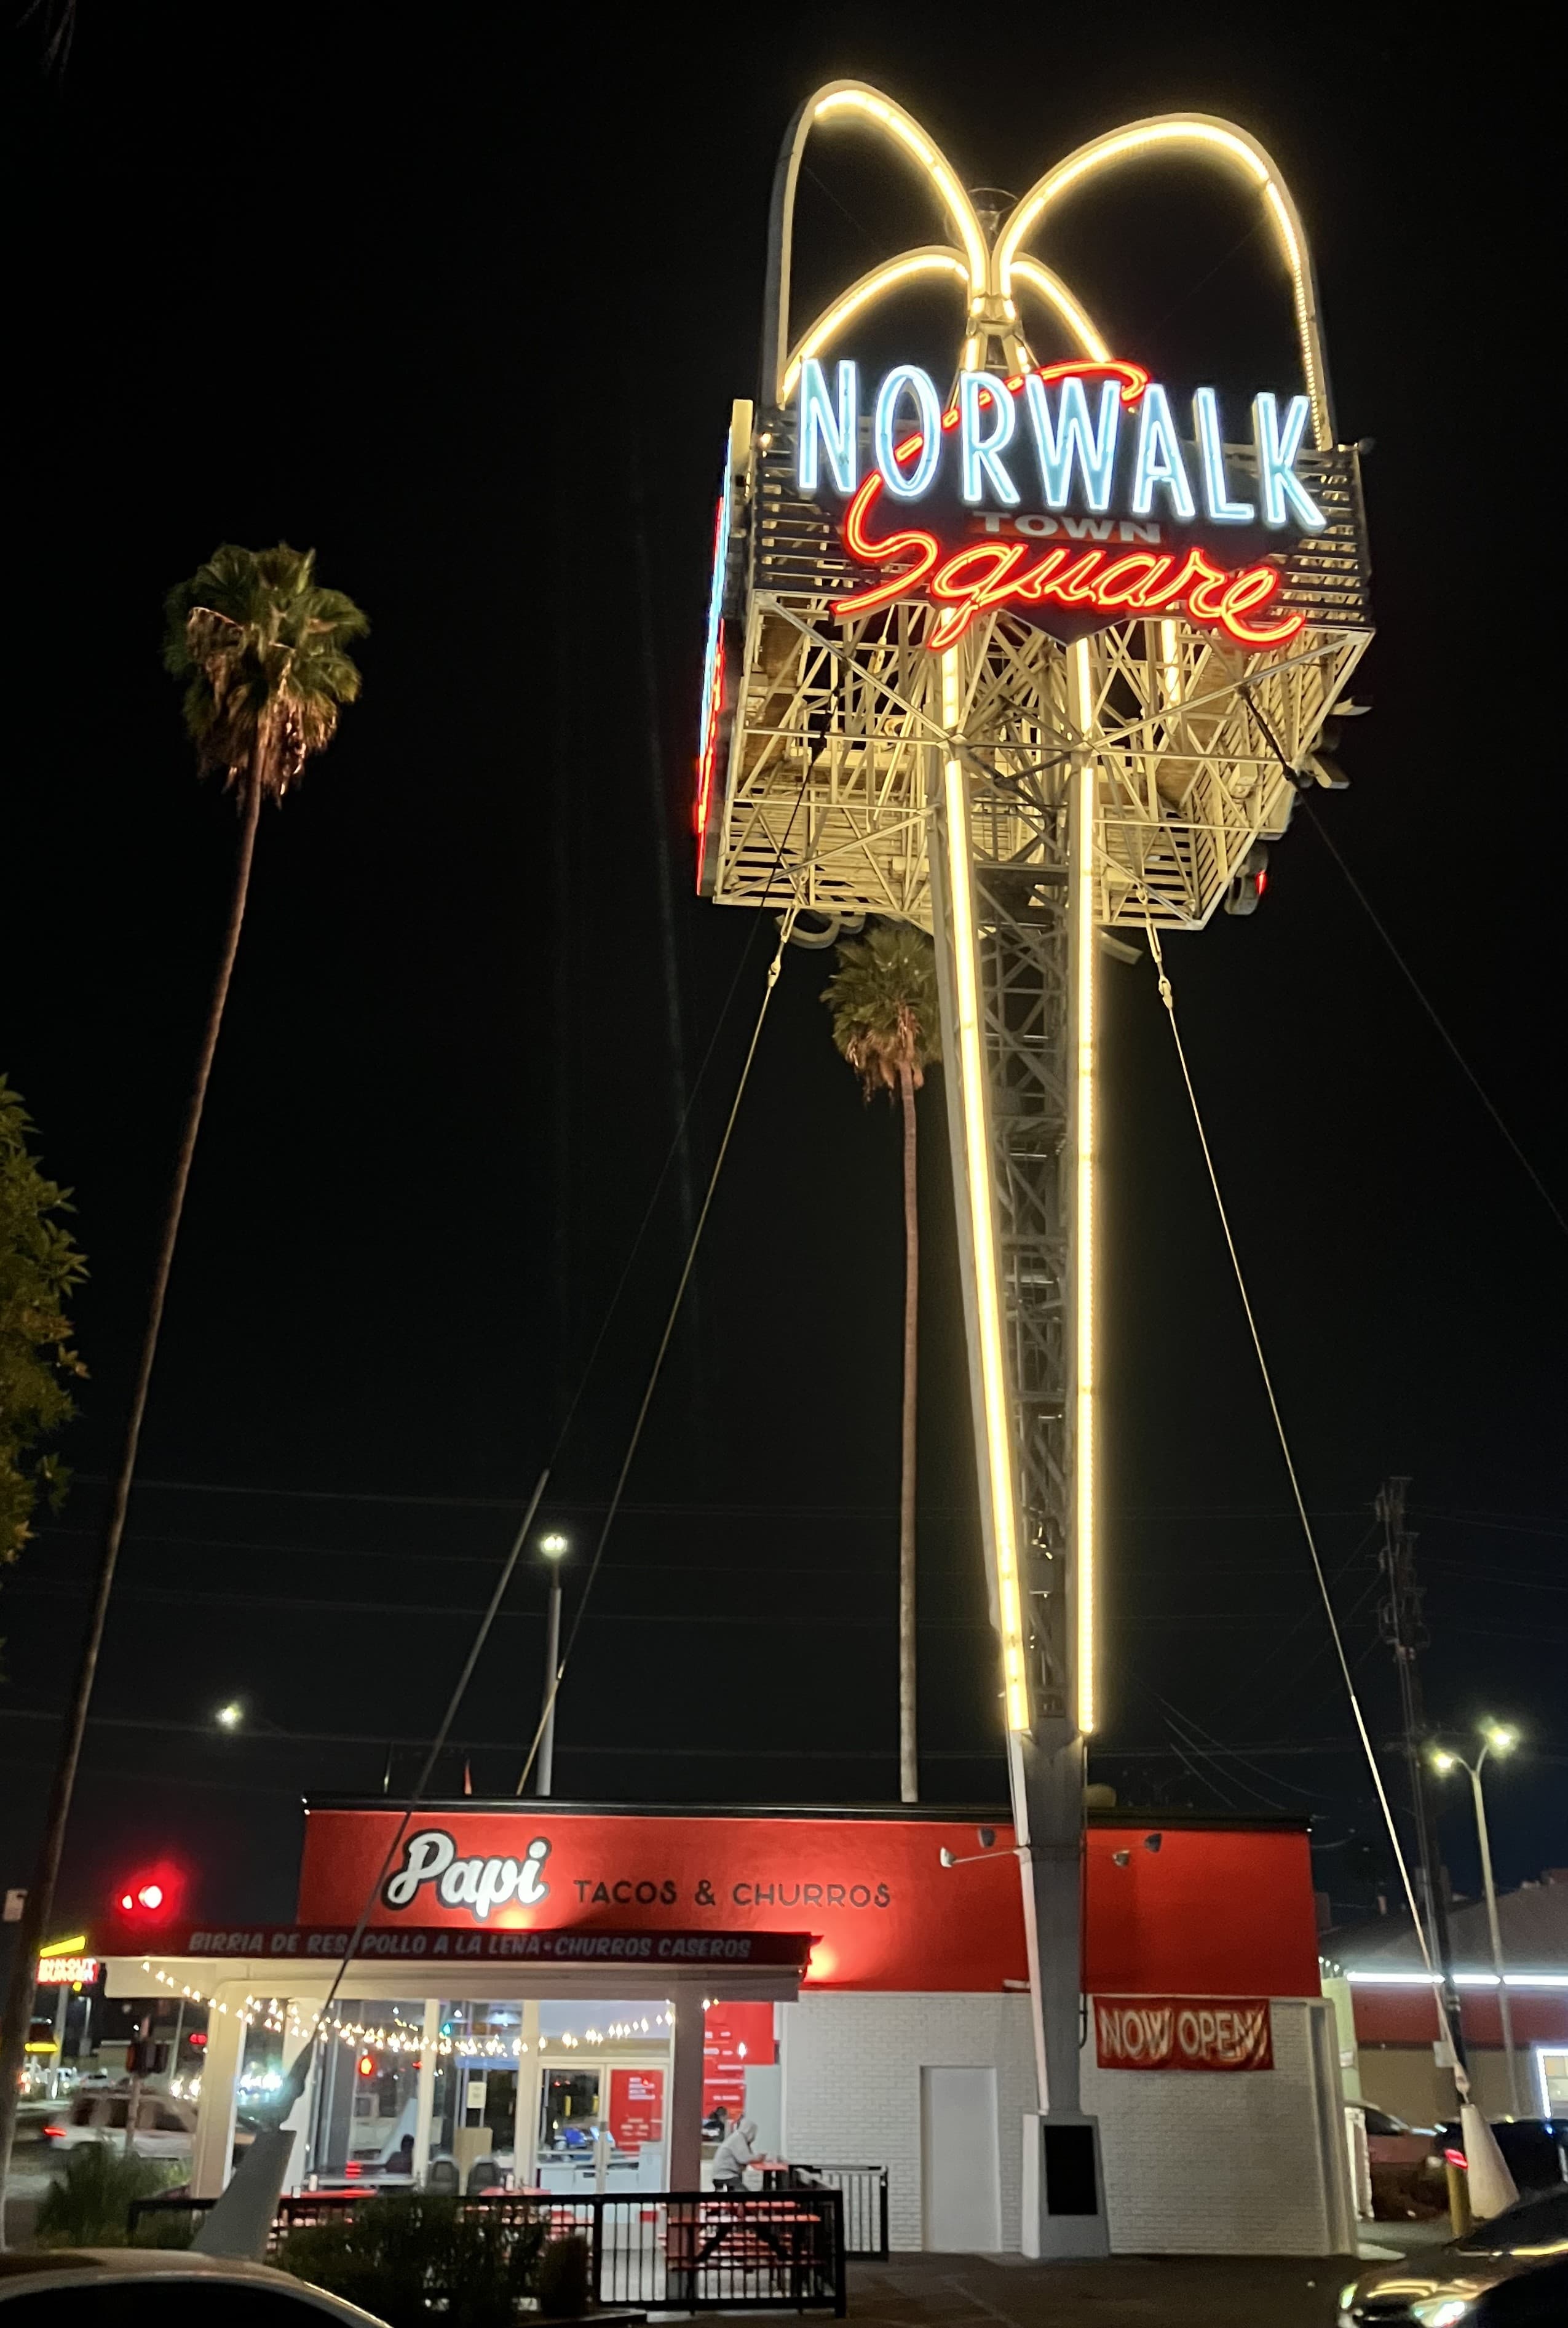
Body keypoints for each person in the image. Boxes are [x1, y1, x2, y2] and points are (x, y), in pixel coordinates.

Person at [711, 2116, 758, 2190]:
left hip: (724, 2175)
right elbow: (745, 2159)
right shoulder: (739, 2138)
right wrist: (759, 2158)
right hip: (725, 2176)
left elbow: (748, 2155)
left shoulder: (739, 2138)